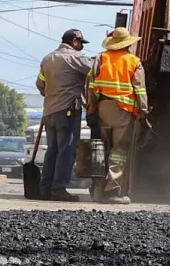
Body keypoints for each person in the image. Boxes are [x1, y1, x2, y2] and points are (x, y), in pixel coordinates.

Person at [86, 27, 148, 203]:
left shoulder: (100, 58)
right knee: (118, 151)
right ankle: (112, 191)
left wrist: (91, 110)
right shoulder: (133, 62)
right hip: (123, 111)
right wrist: (144, 111)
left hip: (103, 108)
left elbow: (91, 87)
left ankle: (97, 189)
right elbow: (140, 89)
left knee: (101, 150)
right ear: (128, 43)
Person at [35, 28, 92, 202]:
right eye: (81, 43)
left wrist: (52, 97)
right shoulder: (76, 57)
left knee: (52, 151)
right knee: (66, 151)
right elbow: (96, 71)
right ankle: (59, 188)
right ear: (74, 41)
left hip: (49, 113)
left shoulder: (47, 58)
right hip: (67, 112)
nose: (81, 47)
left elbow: (40, 84)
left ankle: (45, 189)